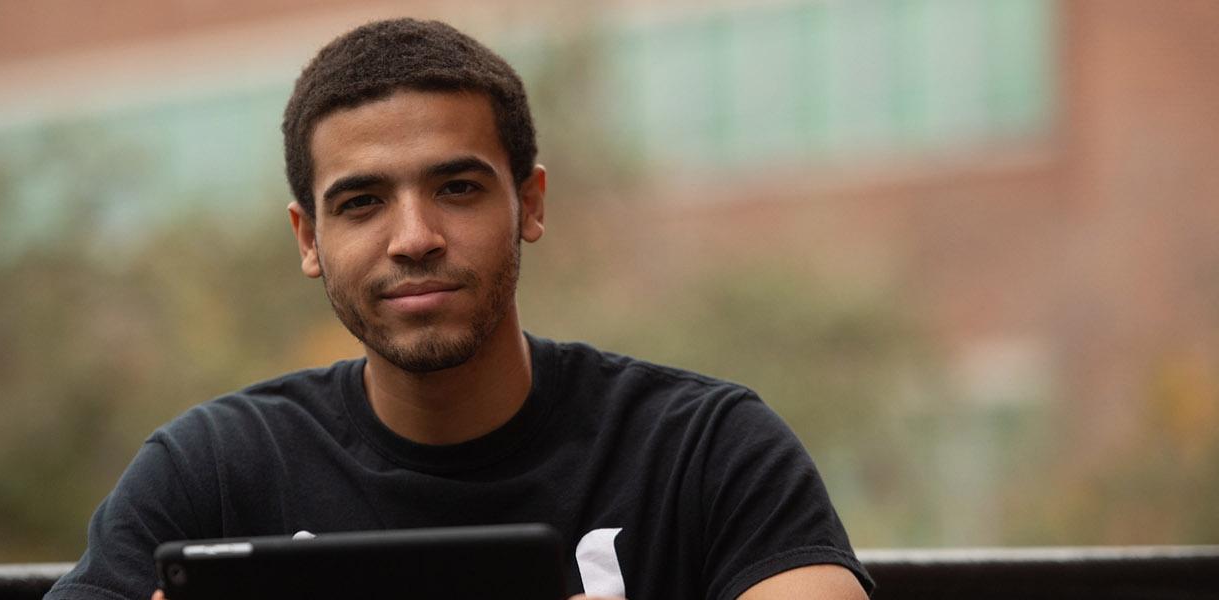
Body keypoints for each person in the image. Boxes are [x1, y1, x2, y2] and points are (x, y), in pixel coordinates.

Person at [45, 18, 873, 600]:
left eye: (458, 187)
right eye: (362, 201)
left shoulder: (705, 447)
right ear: (309, 238)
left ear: (531, 202)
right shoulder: (217, 470)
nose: (415, 237)